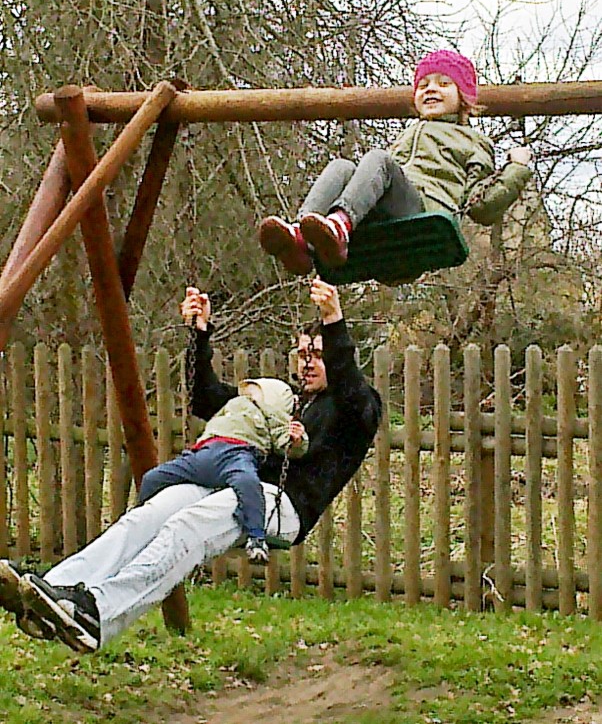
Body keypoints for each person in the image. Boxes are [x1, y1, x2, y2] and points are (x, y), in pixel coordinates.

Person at [0, 278, 381, 654]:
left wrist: (334, 323)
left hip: (283, 505)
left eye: (317, 354)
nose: (308, 363)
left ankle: (97, 611)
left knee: (187, 527)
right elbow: (208, 399)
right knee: (149, 516)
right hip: (230, 486)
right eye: (302, 355)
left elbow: (350, 390)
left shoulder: (358, 407)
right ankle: (52, 592)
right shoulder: (282, 401)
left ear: (336, 353)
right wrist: (199, 335)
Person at [258, 49, 533, 275]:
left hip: (424, 214)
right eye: (423, 85)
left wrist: (517, 167)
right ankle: (300, 240)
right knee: (342, 166)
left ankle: (338, 227)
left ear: (465, 97)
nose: (431, 89)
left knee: (379, 158)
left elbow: (482, 206)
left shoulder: (474, 141)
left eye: (444, 83)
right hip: (386, 215)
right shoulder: (407, 134)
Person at [139, 371, 308, 565]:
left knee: (248, 484)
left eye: (258, 393)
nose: (251, 397)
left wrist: (297, 440)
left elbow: (284, 443)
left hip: (237, 452)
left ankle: (256, 537)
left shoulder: (273, 414)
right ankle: (142, 526)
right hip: (203, 452)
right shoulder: (233, 404)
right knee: (153, 478)